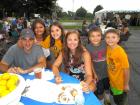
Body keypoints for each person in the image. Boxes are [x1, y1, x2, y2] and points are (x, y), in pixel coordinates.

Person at [105, 29, 130, 105]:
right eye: (108, 37)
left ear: (118, 39)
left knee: (121, 102)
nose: (110, 40)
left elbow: (126, 70)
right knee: (116, 100)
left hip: (120, 85)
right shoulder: (108, 48)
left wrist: (126, 85)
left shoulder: (121, 52)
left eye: (113, 37)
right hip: (113, 82)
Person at [86, 27, 110, 105]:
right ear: (89, 38)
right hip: (97, 74)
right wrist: (94, 73)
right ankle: (101, 102)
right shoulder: (88, 47)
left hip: (107, 72)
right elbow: (90, 62)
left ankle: (107, 99)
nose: (95, 38)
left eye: (98, 35)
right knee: (99, 91)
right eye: (92, 36)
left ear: (101, 36)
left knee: (107, 88)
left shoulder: (105, 43)